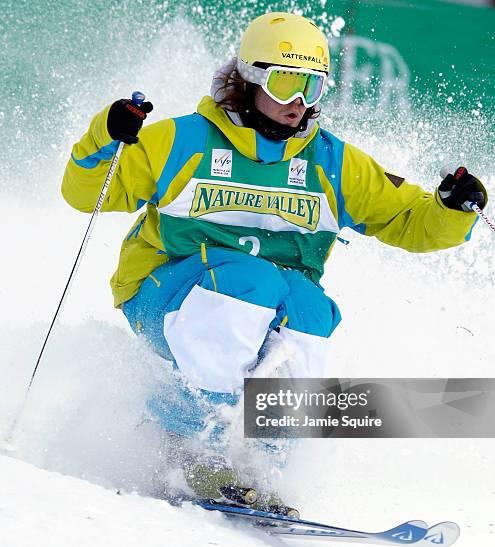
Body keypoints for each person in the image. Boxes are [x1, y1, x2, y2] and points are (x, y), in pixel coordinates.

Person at [62, 12, 487, 512]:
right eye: (287, 83)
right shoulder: (183, 142)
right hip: (162, 295)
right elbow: (86, 192)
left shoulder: (332, 163)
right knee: (252, 280)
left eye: (313, 86)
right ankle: (184, 442)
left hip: (257, 303)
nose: (299, 103)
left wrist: (450, 208)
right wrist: (106, 137)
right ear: (251, 79)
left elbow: (409, 221)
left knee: (309, 308)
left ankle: (260, 464)